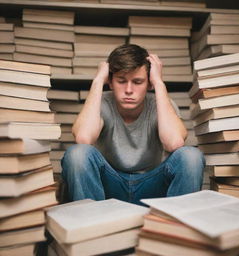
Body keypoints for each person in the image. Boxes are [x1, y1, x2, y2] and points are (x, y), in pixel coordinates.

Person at [61, 44, 205, 205]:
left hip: (152, 188)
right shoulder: (100, 104)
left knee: (191, 156)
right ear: (111, 82)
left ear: (148, 83)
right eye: (121, 81)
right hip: (110, 187)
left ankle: (175, 227)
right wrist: (98, 81)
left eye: (138, 82)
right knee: (77, 154)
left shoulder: (162, 103)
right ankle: (91, 224)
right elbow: (83, 139)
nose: (129, 90)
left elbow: (174, 143)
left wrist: (158, 82)